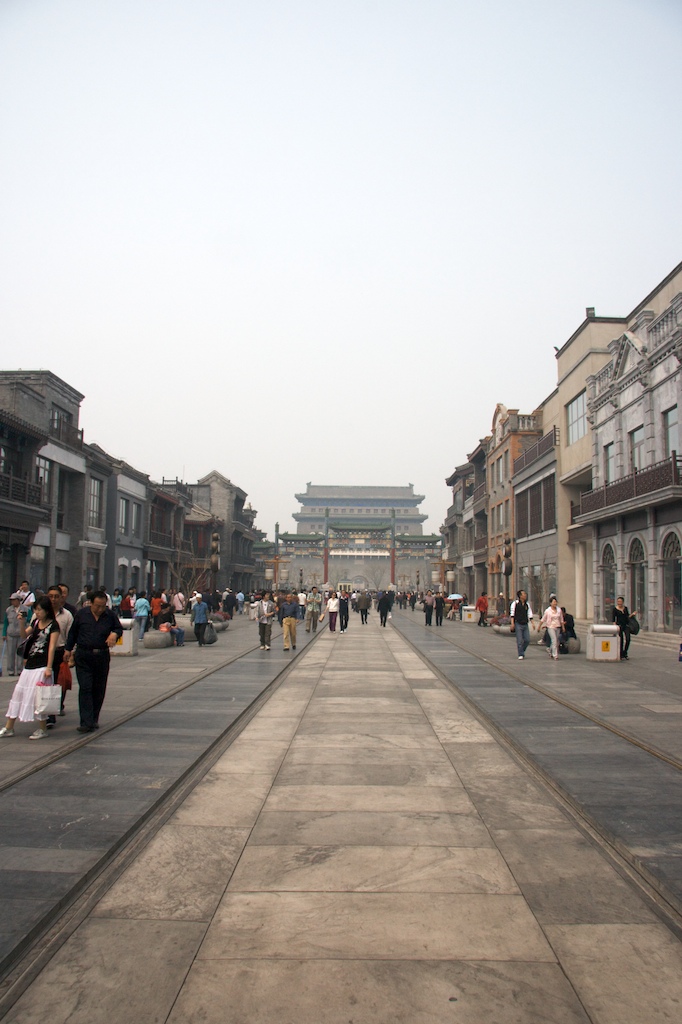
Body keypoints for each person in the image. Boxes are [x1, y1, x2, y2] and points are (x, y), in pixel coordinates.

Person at [0, 596, 59, 739]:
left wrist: (49, 667)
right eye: (36, 610)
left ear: (47, 611)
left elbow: (51, 647)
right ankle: (9, 727)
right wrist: (21, 622)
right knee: (18, 693)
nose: (37, 612)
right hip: (30, 665)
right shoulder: (36, 622)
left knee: (38, 697)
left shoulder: (53, 625)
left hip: (42, 665)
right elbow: (23, 635)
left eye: (40, 610)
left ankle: (42, 728)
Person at [64, 591, 123, 733]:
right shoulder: (82, 614)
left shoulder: (109, 615)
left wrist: (114, 634)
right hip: (84, 655)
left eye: (103, 606)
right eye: (97, 606)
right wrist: (68, 649)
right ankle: (85, 721)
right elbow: (73, 633)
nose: (100, 609)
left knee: (99, 688)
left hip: (101, 656)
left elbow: (118, 628)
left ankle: (94, 718)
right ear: (91, 603)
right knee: (85, 687)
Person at [45, 584, 74, 723]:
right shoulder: (40, 613)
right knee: (43, 684)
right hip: (43, 653)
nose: (53, 599)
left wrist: (70, 653)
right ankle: (45, 711)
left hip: (59, 653)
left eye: (56, 596)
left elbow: (71, 635)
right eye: (50, 596)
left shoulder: (67, 614)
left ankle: (51, 714)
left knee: (57, 683)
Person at [2, 592, 23, 675]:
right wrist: (4, 634)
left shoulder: (25, 609)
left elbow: (29, 621)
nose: (12, 602)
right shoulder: (8, 610)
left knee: (20, 653)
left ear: (18, 600)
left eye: (14, 600)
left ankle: (19, 670)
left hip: (21, 634)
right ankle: (10, 670)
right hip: (10, 634)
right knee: (10, 653)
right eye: (11, 600)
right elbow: (6, 623)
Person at [510, 590, 533, 660]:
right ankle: (521, 654)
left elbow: (529, 613)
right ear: (520, 596)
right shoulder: (515, 603)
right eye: (523, 594)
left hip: (525, 623)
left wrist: (532, 622)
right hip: (518, 623)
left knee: (527, 639)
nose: (525, 595)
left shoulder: (527, 604)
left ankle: (522, 650)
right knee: (519, 640)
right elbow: (512, 614)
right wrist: (512, 623)